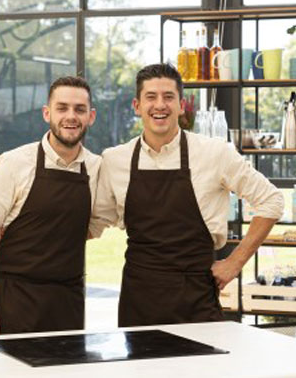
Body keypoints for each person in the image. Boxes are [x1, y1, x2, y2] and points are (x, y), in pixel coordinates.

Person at [90, 63, 284, 327]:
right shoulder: (115, 160)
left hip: (196, 296)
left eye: (168, 97)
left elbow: (272, 201)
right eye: (151, 97)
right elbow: (97, 220)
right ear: (137, 106)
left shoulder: (214, 153)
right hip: (139, 298)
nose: (160, 105)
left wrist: (234, 263)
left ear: (182, 106)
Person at [0, 76, 100, 335]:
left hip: (68, 306)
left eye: (79, 109)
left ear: (90, 116)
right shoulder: (14, 163)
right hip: (13, 304)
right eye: (62, 108)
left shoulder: (96, 168)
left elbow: (92, 224)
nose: (71, 116)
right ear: (47, 113)